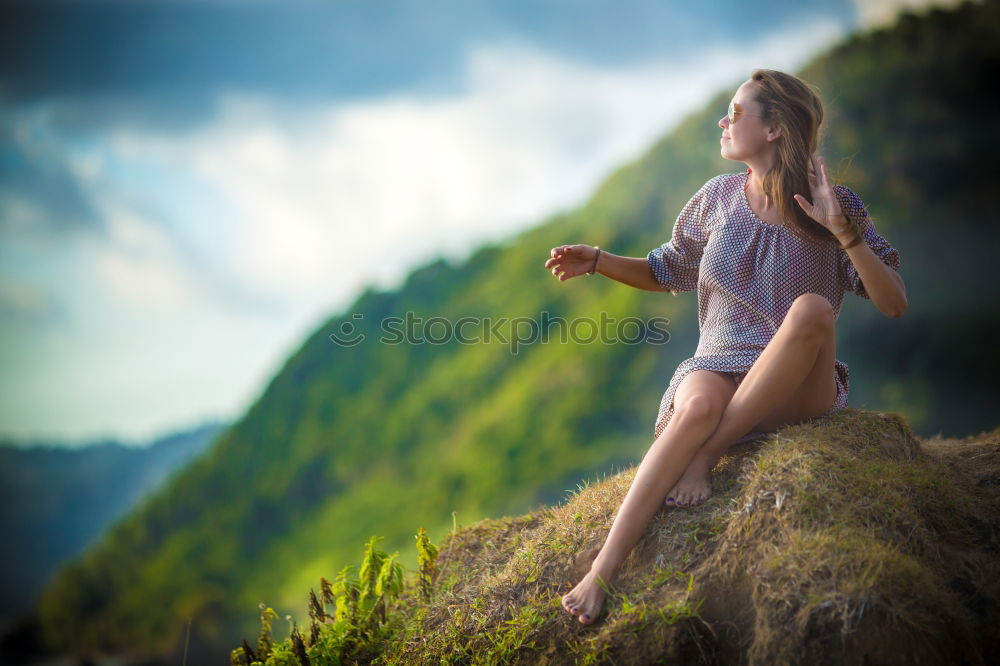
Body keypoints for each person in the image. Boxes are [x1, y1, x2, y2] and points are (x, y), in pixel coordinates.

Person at [543, 69, 907, 625]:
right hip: (718, 360)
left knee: (811, 308)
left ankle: (707, 456)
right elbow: (667, 269)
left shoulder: (835, 205)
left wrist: (845, 234)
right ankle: (600, 571)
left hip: (795, 383)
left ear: (775, 129)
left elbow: (894, 302)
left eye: (736, 112)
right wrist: (598, 260)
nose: (724, 120)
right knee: (695, 406)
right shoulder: (716, 199)